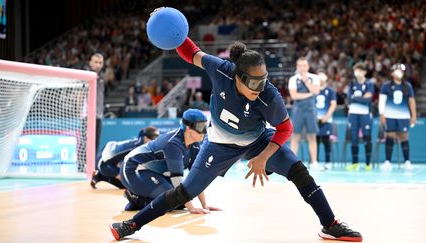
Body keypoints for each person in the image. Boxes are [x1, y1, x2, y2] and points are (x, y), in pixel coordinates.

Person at [110, 11, 362, 242]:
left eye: (262, 81)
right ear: (237, 78)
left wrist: (264, 157)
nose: (259, 88)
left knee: (300, 172)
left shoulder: (268, 95)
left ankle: (330, 224)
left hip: (257, 141)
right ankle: (131, 225)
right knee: (183, 193)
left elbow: (285, 129)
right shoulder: (221, 70)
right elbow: (191, 52)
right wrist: (172, 30)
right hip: (218, 145)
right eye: (253, 83)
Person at [120, 109, 221, 213]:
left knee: (179, 202)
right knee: (172, 201)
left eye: (206, 126)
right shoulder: (173, 144)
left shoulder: (194, 145)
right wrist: (191, 208)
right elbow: (177, 179)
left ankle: (142, 198)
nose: (204, 131)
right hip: (133, 168)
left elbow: (196, 177)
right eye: (201, 127)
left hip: (152, 172)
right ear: (188, 128)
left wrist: (205, 205)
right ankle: (135, 199)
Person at [90, 126, 160, 189]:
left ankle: (101, 176)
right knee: (128, 184)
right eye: (153, 138)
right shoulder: (135, 148)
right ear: (145, 138)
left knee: (129, 181)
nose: (155, 141)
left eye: (157, 138)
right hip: (103, 163)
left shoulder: (139, 144)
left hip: (108, 160)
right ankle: (100, 176)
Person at [379, 64, 417, 171]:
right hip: (390, 115)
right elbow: (382, 101)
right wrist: (382, 114)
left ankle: (407, 161)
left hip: (403, 115)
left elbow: (411, 101)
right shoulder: (386, 86)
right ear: (392, 73)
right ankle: (387, 161)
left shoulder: (407, 86)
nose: (399, 72)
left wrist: (413, 115)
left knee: (404, 136)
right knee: (389, 136)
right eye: (397, 70)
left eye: (401, 70)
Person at [288, 57, 321, 170]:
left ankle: (314, 162)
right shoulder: (293, 79)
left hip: (311, 110)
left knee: (312, 136)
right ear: (297, 67)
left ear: (307, 67)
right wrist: (309, 94)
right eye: (300, 65)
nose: (302, 67)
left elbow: (316, 91)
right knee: (295, 136)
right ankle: (292, 163)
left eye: (304, 65)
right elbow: (294, 96)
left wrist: (306, 80)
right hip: (298, 110)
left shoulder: (315, 78)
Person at [346, 63, 374, 171]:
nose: (357, 73)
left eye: (359, 70)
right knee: (354, 138)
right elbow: (348, 99)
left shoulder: (369, 84)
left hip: (365, 113)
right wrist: (361, 98)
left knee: (367, 137)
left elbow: (368, 99)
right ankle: (355, 163)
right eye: (355, 70)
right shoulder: (352, 83)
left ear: (364, 72)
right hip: (353, 114)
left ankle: (368, 163)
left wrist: (355, 98)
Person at [315, 70, 337, 170]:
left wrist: (326, 117)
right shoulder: (313, 90)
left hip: (326, 120)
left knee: (326, 141)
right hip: (315, 120)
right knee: (315, 141)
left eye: (322, 75)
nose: (320, 78)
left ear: (326, 77)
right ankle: (315, 162)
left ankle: (327, 162)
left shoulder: (330, 91)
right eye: (318, 76)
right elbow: (310, 104)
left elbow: (333, 105)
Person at [85, 53, 105, 156]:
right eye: (96, 62)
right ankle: (81, 167)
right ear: (90, 63)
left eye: (100, 63)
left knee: (96, 143)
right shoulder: (85, 76)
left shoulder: (101, 77)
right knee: (86, 143)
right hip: (87, 115)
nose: (98, 65)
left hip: (99, 115)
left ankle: (91, 167)